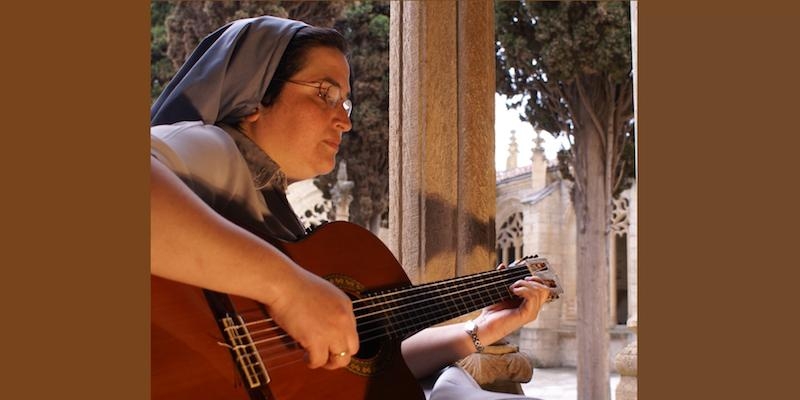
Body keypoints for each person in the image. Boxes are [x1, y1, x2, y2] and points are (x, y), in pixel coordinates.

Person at [150, 15, 552, 399]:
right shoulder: (209, 147)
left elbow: (352, 363)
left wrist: (478, 330)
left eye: (345, 104)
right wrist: (287, 287)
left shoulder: (272, 207)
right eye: (324, 94)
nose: (344, 122)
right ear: (254, 96)